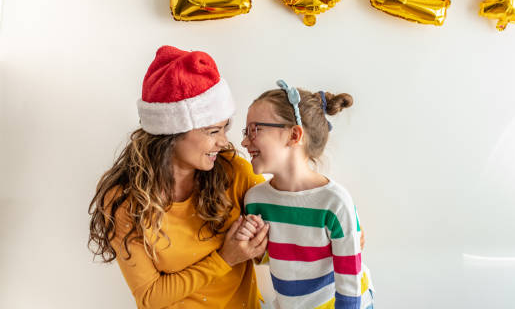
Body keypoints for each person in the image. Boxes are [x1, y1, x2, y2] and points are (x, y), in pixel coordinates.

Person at [88, 45, 270, 309]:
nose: (223, 142)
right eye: (212, 131)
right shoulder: (124, 201)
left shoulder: (234, 171)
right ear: (172, 134)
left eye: (224, 129)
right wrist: (225, 259)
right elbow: (149, 297)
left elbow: (287, 220)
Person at [237, 80, 374, 309]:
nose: (243, 141)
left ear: (294, 135)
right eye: (245, 131)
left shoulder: (334, 203)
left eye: (254, 130)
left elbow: (349, 284)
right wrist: (251, 241)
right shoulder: (255, 200)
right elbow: (276, 260)